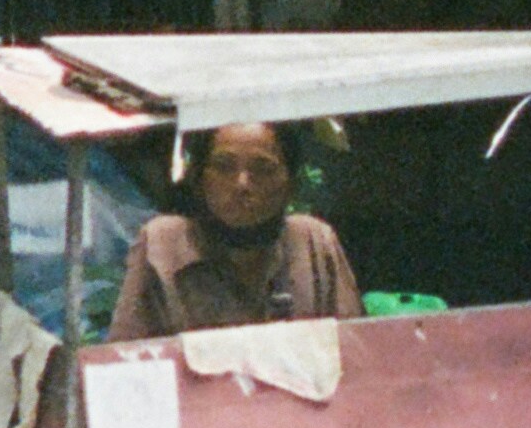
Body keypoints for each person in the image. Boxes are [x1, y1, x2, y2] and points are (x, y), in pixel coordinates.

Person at [107, 121, 359, 338]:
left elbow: (355, 350)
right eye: (223, 166)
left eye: (263, 168)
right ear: (198, 178)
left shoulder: (312, 240)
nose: (242, 185)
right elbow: (125, 358)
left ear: (291, 182)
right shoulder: (162, 243)